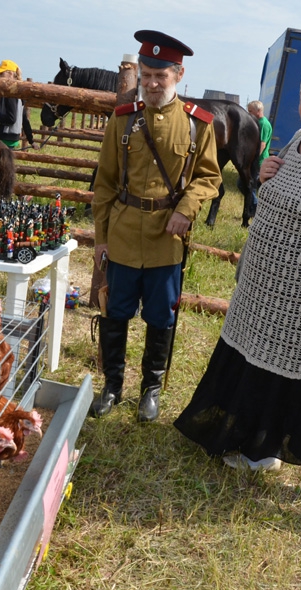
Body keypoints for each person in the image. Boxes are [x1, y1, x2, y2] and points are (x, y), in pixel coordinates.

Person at [174, 64, 301, 470]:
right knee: (246, 355)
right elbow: (279, 180)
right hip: (260, 283)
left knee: (277, 366)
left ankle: (261, 450)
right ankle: (231, 432)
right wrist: (268, 172)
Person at [90, 30, 222, 423]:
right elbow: (106, 184)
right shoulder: (123, 121)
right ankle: (112, 385)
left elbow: (208, 177)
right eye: (146, 74)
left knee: (161, 316)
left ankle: (151, 388)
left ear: (178, 75)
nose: (150, 83)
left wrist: (187, 208)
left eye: (159, 76)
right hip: (125, 233)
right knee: (115, 311)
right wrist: (100, 238)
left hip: (168, 236)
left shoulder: (197, 124)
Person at [0, 60, 35, 150]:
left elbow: (11, 118)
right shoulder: (19, 94)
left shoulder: (10, 94)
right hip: (11, 138)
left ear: (10, 74)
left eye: (1, 74)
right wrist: (31, 140)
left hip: (4, 138)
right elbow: (24, 119)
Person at [246, 100, 272, 221]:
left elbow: (262, 144)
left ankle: (255, 208)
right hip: (257, 160)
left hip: (260, 161)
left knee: (249, 186)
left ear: (258, 111)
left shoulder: (263, 124)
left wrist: (253, 160)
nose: (248, 113)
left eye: (250, 111)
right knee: (245, 185)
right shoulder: (257, 122)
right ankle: (253, 208)